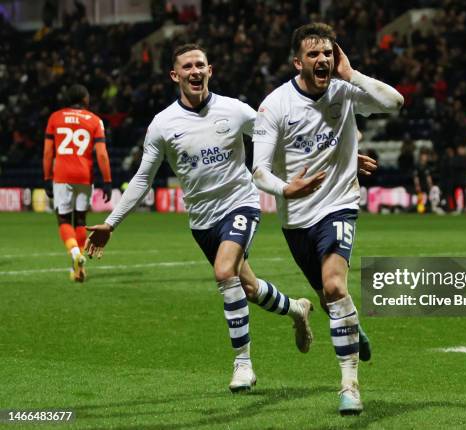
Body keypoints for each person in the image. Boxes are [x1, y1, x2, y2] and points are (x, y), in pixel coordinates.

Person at [84, 44, 314, 393]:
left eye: (200, 65)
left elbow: (276, 138)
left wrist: (332, 156)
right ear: (175, 75)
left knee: (224, 272)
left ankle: (243, 365)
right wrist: (111, 223)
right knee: (248, 288)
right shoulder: (162, 124)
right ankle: (297, 309)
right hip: (201, 221)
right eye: (187, 66)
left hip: (240, 204)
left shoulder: (234, 110)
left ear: (210, 71)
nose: (195, 71)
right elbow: (144, 179)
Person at [251, 23, 403, 415]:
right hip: (296, 217)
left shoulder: (344, 89)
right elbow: (259, 171)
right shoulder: (276, 105)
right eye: (314, 54)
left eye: (328, 53)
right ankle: (346, 326)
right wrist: (286, 189)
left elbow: (395, 103)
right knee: (327, 296)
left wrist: (352, 74)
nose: (323, 60)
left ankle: (349, 385)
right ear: (297, 61)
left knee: (335, 287)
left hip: (339, 204)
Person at [43, 84, 112, 282]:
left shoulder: (55, 117)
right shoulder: (95, 120)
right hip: (84, 175)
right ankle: (79, 269)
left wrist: (47, 177)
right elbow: (102, 154)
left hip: (62, 175)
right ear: (84, 99)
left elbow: (48, 152)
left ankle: (75, 254)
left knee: (64, 220)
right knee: (80, 220)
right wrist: (107, 180)